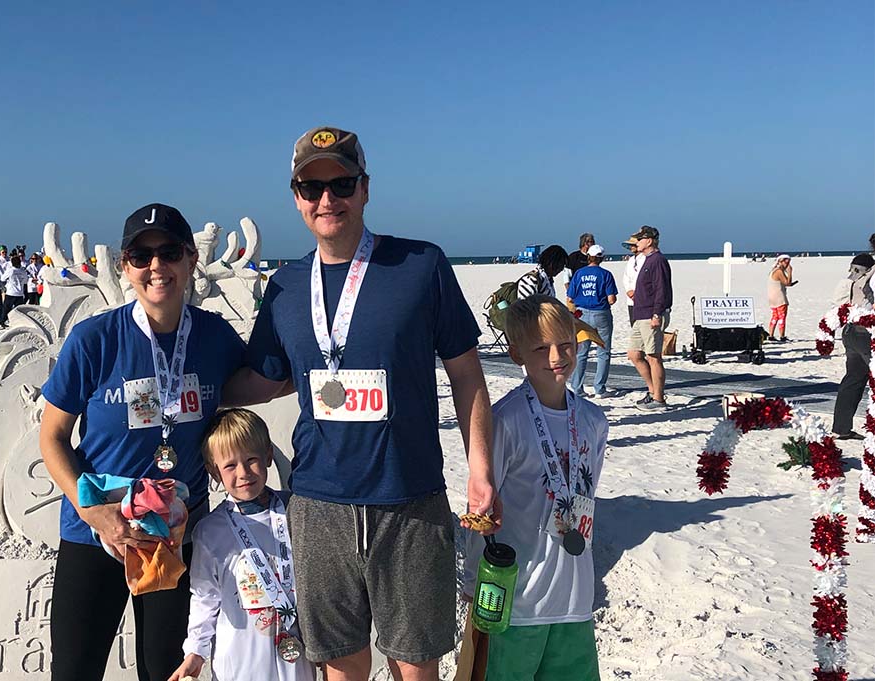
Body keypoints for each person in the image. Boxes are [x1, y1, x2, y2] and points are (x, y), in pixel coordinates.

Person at [225, 126, 497, 681]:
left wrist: (480, 469)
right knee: (341, 661)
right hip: (317, 500)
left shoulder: (421, 265)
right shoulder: (283, 285)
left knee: (416, 661)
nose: (328, 199)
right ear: (296, 197)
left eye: (341, 183)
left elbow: (466, 372)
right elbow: (270, 378)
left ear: (365, 189)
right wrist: (200, 392)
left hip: (410, 498)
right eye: (311, 187)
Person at [39, 203, 245, 681]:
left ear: (192, 259)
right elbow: (51, 438)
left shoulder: (214, 337)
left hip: (175, 537)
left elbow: (263, 382)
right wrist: (92, 510)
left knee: (166, 673)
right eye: (141, 255)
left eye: (170, 252)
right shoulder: (95, 339)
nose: (156, 266)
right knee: (74, 671)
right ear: (124, 266)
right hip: (94, 533)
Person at [464, 295, 606, 681]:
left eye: (565, 344)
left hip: (574, 598)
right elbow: (481, 508)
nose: (556, 356)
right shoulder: (504, 422)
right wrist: (474, 582)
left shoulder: (594, 421)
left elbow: (585, 495)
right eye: (541, 348)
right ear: (517, 355)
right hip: (517, 600)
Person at [169, 408, 317, 681]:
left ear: (268, 456)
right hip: (240, 661)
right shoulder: (210, 531)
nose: (244, 473)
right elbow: (204, 597)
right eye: (230, 466)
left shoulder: (295, 510)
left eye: (251, 460)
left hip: (295, 657)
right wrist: (195, 652)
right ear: (214, 472)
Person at [627, 226, 672, 411]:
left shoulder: (658, 260)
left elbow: (662, 289)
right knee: (634, 354)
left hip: (651, 315)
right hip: (640, 314)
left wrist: (657, 314)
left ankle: (659, 399)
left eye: (639, 239)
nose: (636, 242)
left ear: (649, 240)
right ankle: (653, 391)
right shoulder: (647, 260)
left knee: (653, 356)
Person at [831, 254, 875, 440]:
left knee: (853, 380)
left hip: (850, 331)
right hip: (866, 332)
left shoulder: (854, 275)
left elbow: (838, 301)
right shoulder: (871, 273)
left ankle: (841, 428)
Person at [567, 245, 618, 397]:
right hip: (601, 313)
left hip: (582, 314)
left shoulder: (579, 274)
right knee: (603, 352)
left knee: (581, 353)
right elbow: (611, 299)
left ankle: (577, 388)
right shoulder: (606, 274)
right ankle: (599, 388)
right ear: (601, 258)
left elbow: (570, 297)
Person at [766, 255, 798, 341]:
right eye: (786, 262)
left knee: (775, 316)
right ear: (780, 261)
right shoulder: (779, 271)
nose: (787, 265)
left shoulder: (774, 271)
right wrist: (790, 272)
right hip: (779, 297)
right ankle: (782, 336)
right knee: (782, 317)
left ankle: (771, 335)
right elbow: (787, 282)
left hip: (772, 297)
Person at [621, 237, 645, 326]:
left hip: (642, 298)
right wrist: (629, 290)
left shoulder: (645, 258)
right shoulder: (631, 260)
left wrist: (637, 293)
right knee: (634, 324)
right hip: (631, 299)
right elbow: (626, 277)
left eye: (633, 245)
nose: (631, 247)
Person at [1, 254, 31, 320]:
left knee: (7, 308)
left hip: (11, 292)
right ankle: (18, 320)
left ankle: (3, 321)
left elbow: (2, 278)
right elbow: (26, 280)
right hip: (20, 293)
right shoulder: (23, 271)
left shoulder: (11, 270)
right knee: (19, 310)